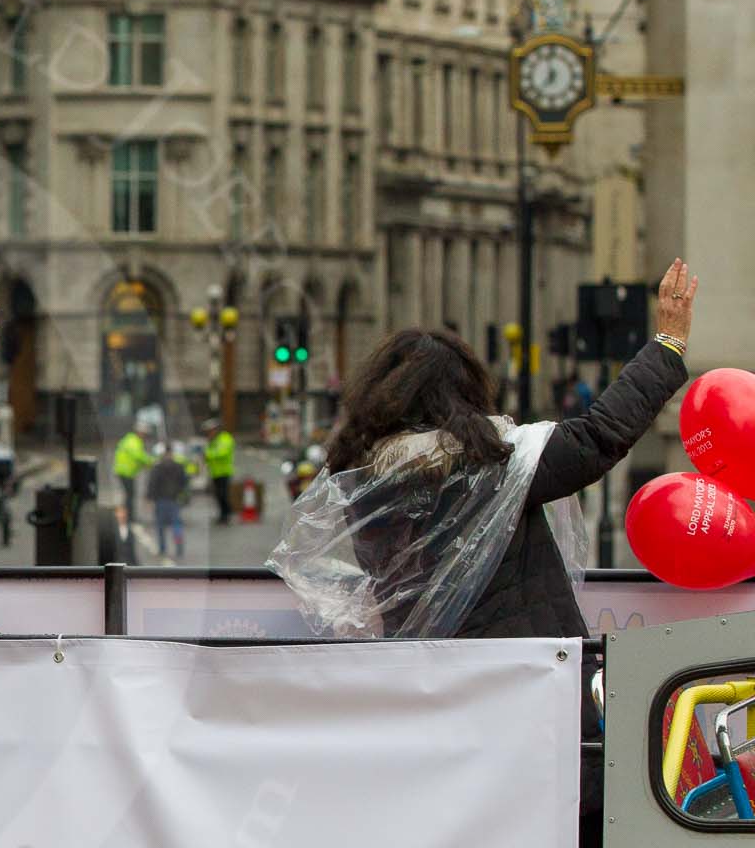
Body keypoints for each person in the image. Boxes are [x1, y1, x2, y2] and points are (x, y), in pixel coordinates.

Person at [270, 259, 698, 639]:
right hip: (520, 673)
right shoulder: (492, 469)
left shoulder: (362, 479)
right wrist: (667, 344)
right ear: (464, 392)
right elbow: (598, 436)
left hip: (426, 675)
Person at [147, 444, 188, 560]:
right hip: (174, 500)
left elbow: (152, 484)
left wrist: (150, 498)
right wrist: (182, 495)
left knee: (160, 526)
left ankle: (162, 549)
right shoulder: (179, 466)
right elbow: (184, 483)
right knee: (176, 526)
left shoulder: (157, 467)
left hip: (161, 500)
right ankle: (179, 548)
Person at [113, 423, 154, 510]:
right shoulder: (133, 441)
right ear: (140, 432)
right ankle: (128, 518)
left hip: (126, 472)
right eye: (145, 434)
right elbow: (138, 455)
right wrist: (151, 461)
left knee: (129, 495)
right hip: (125, 472)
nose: (146, 436)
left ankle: (127, 516)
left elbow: (136, 458)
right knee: (130, 495)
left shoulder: (131, 439)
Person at [203, 418, 236, 523]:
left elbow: (222, 453)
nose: (210, 432)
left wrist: (208, 454)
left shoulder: (225, 438)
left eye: (211, 430)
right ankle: (223, 514)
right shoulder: (213, 440)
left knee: (223, 494)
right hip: (215, 472)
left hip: (224, 472)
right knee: (218, 495)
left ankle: (226, 514)